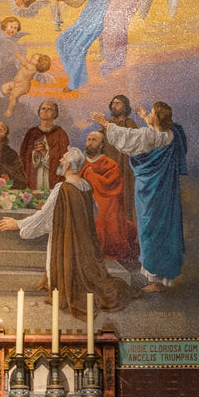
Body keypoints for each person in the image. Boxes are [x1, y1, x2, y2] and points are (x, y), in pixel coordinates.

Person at [0, 148, 141, 315]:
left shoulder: (62, 188)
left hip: (68, 240)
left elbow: (44, 216)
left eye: (63, 158)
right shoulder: (86, 185)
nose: (60, 161)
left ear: (68, 166)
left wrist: (18, 224)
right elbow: (94, 212)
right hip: (85, 242)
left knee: (73, 276)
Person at [90, 101, 188, 291]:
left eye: (151, 112)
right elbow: (155, 134)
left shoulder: (149, 136)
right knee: (163, 228)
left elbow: (129, 137)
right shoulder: (170, 134)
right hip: (165, 190)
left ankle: (155, 279)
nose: (148, 114)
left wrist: (105, 123)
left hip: (150, 192)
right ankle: (163, 277)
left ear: (157, 118)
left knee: (150, 229)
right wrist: (145, 117)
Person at [56, 0, 119, 90]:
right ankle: (78, 77)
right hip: (85, 18)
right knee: (61, 41)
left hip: (100, 17)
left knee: (79, 47)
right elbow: (78, 3)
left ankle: (74, 83)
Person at [81, 129, 139, 264]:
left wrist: (91, 175)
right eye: (88, 139)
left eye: (94, 140)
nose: (90, 142)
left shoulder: (110, 165)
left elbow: (110, 187)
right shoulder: (81, 163)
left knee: (106, 209)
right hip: (84, 201)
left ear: (101, 145)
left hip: (104, 203)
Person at [103, 95, 140, 230]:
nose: (114, 106)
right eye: (113, 103)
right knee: (110, 202)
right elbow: (99, 141)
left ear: (125, 107)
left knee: (125, 199)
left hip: (126, 170)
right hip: (109, 169)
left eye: (118, 103)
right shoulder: (107, 124)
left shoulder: (131, 124)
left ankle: (127, 232)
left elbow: (136, 144)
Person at [20, 100, 70, 191]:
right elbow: (24, 156)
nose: (46, 111)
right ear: (39, 112)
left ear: (55, 114)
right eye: (43, 108)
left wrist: (45, 154)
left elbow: (64, 158)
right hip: (35, 175)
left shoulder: (60, 133)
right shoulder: (31, 133)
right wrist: (34, 154)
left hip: (52, 177)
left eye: (49, 109)